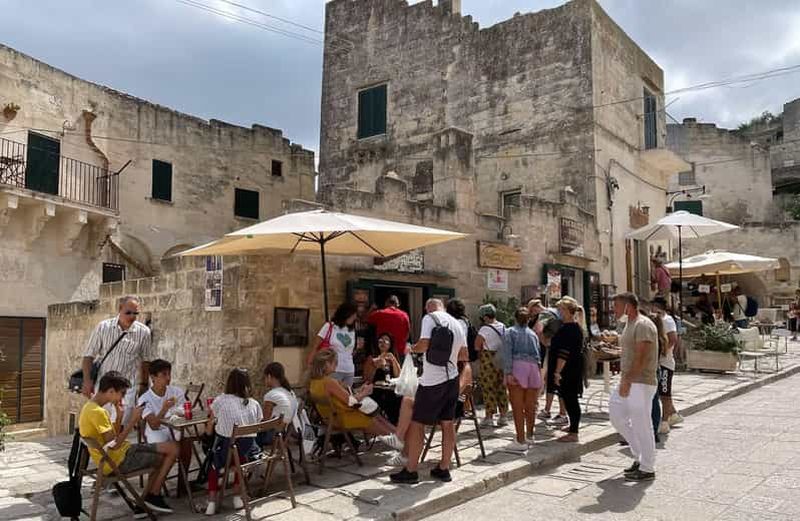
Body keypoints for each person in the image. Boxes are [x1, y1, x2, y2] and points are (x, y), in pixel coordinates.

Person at [390, 298, 468, 485]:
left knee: (417, 423)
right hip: (452, 380)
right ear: (443, 306)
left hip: (433, 381)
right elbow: (464, 354)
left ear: (427, 308)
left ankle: (411, 470)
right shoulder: (457, 324)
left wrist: (411, 348)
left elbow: (424, 344)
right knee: (448, 423)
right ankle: (443, 468)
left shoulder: (430, 319)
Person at [79, 371, 178, 515]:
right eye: (122, 393)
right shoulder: (98, 412)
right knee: (166, 455)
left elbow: (111, 438)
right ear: (111, 391)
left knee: (172, 448)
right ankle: (151, 497)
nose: (123, 397)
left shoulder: (89, 407)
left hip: (118, 455)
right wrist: (133, 421)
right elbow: (114, 445)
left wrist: (119, 416)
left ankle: (148, 500)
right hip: (116, 461)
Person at [608, 292, 659, 482]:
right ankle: (639, 456)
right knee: (616, 414)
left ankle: (647, 467)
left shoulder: (642, 325)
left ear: (628, 306)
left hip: (641, 381)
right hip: (629, 379)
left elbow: (641, 356)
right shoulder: (629, 324)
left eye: (616, 306)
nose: (614, 310)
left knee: (642, 424)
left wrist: (627, 381)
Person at [82, 295, 152, 425]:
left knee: (120, 425)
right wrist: (87, 381)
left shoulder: (144, 332)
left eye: (135, 313)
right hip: (104, 388)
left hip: (127, 389)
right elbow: (89, 355)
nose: (132, 316)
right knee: (101, 425)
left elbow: (146, 360)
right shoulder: (103, 327)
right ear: (120, 309)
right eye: (128, 313)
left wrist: (144, 384)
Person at [205, 368, 263, 516]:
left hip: (225, 452)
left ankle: (211, 502)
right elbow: (258, 424)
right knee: (239, 458)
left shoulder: (221, 400)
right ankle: (237, 497)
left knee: (213, 462)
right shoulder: (254, 404)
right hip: (246, 452)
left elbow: (209, 430)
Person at [308, 350, 398, 438]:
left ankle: (398, 434)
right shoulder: (329, 383)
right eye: (335, 362)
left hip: (330, 418)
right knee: (372, 416)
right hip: (343, 418)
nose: (336, 365)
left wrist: (360, 390)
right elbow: (351, 402)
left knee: (376, 415)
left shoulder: (314, 382)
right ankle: (398, 438)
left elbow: (343, 396)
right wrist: (365, 392)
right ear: (327, 364)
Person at [499, 307, 541, 452]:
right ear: (528, 319)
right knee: (530, 406)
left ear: (515, 318)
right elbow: (538, 355)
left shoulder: (510, 332)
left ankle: (520, 440)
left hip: (518, 367)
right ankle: (530, 435)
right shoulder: (533, 334)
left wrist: (508, 372)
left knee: (517, 406)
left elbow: (507, 353)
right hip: (533, 368)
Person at [551, 297, 585, 443]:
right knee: (567, 397)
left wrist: (557, 372)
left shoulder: (569, 329)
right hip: (572, 367)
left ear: (567, 311)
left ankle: (574, 432)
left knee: (571, 399)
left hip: (568, 369)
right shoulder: (572, 327)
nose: (559, 312)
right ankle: (572, 426)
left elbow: (564, 353)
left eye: (561, 309)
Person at [308, 302, 358, 387]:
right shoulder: (329, 326)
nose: (354, 317)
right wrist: (311, 360)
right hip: (333, 368)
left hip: (349, 369)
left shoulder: (352, 330)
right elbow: (316, 345)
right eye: (352, 315)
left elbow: (351, 350)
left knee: (347, 393)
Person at [475, 304, 509, 428]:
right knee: (501, 387)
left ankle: (489, 416)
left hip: (488, 359)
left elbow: (477, 345)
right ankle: (503, 416)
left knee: (488, 387)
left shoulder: (484, 329)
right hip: (501, 358)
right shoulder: (503, 326)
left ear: (485, 316)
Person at [652, 298, 683, 433]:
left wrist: (664, 353)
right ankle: (673, 414)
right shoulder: (656, 320)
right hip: (658, 361)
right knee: (661, 392)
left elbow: (673, 339)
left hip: (666, 362)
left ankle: (665, 421)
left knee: (665, 393)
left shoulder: (667, 320)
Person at [137, 359, 185, 444]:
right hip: (156, 432)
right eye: (164, 374)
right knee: (159, 441)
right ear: (153, 377)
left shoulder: (177, 392)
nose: (168, 378)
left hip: (175, 428)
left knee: (184, 438)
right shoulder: (144, 399)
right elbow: (154, 426)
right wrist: (164, 409)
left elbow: (185, 411)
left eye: (169, 374)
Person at [363, 333, 403, 424]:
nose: (383, 343)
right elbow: (367, 379)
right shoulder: (372, 358)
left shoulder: (392, 358)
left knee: (400, 398)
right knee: (390, 399)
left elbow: (398, 376)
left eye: (386, 341)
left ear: (390, 345)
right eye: (380, 340)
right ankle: (392, 426)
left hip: (390, 389)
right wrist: (375, 366)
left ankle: (397, 425)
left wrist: (393, 360)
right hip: (376, 390)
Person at [261, 362, 299, 446]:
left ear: (269, 376)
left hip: (271, 435)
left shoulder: (271, 395)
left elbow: (265, 421)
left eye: (264, 378)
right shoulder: (290, 393)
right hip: (284, 433)